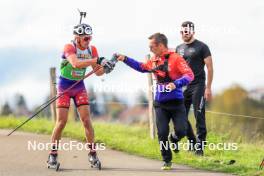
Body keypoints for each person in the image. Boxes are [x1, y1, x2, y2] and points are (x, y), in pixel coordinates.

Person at [116, 33, 194, 170]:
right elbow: (141, 67)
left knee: (182, 131)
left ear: (160, 45)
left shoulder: (176, 58)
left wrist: (176, 84)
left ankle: (174, 139)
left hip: (177, 102)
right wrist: (125, 59)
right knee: (162, 132)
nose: (150, 49)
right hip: (160, 104)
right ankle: (167, 160)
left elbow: (190, 75)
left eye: (151, 46)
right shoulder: (153, 60)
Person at [47, 23, 115, 169]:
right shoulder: (69, 47)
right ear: (77, 37)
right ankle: (52, 155)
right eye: (85, 38)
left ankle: (92, 154)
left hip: (78, 87)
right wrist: (96, 60)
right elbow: (76, 63)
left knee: (86, 120)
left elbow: (97, 72)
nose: (88, 41)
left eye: (90, 38)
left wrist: (107, 67)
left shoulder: (92, 49)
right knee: (62, 121)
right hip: (64, 87)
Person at [175, 21, 214, 155]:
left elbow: (210, 68)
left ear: (192, 31)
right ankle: (190, 141)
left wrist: (208, 88)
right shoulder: (178, 48)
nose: (184, 34)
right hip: (183, 87)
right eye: (182, 32)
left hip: (198, 85)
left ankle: (200, 148)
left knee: (199, 116)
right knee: (180, 116)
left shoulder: (202, 47)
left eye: (187, 31)